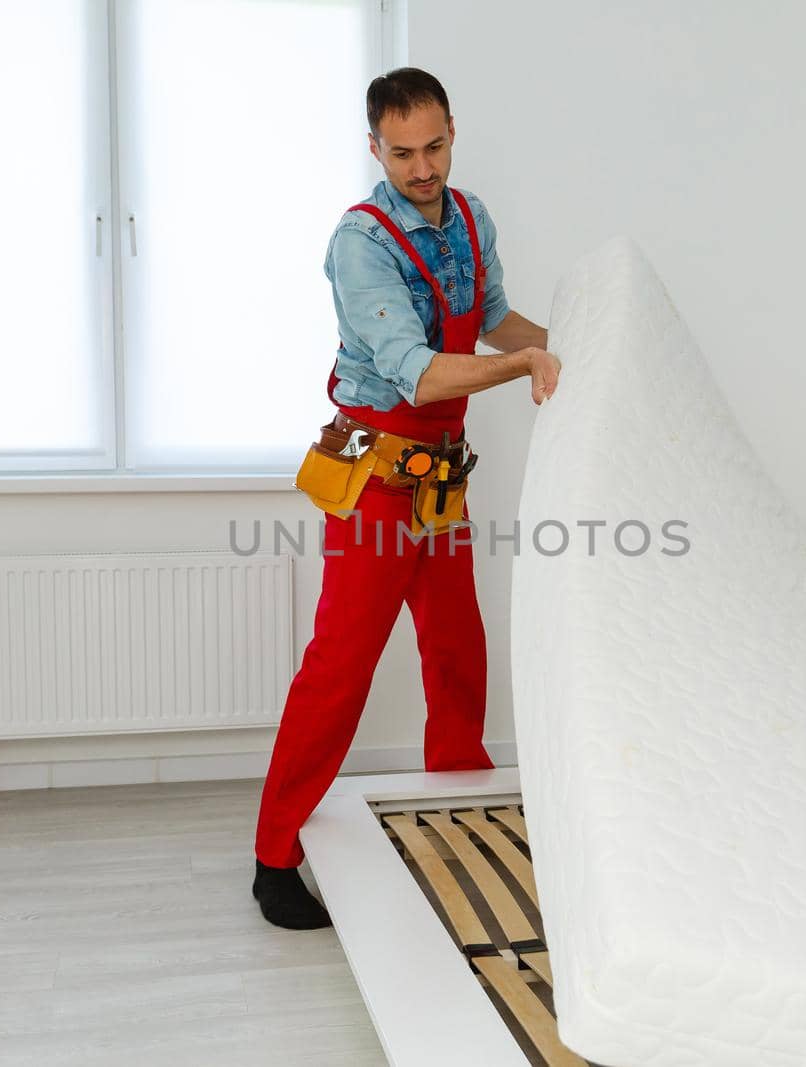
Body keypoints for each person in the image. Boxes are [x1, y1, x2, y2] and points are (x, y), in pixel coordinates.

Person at [251, 67, 561, 929]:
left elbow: (496, 317)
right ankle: (275, 854)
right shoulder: (362, 241)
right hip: (376, 479)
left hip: (440, 479)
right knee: (342, 663)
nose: (421, 168)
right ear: (373, 147)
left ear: (453, 131)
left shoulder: (468, 217)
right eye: (401, 152)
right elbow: (419, 375)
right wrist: (527, 368)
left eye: (434, 146)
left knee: (458, 647)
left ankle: (461, 815)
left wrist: (572, 340)